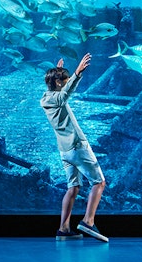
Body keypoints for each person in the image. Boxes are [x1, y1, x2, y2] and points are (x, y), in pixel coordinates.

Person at [40, 53, 108, 242]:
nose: (68, 82)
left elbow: (59, 91)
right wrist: (77, 73)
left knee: (73, 187)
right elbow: (64, 95)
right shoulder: (56, 99)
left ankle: (63, 228)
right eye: (65, 80)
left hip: (65, 152)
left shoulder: (46, 97)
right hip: (77, 147)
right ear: (59, 83)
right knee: (99, 182)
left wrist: (57, 71)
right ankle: (88, 221)